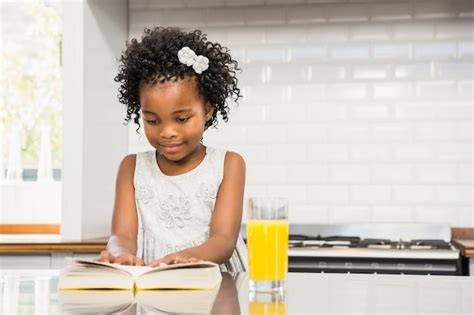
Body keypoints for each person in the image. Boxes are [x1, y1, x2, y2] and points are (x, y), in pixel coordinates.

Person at [97, 27, 247, 272]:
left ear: (207, 110)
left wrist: (184, 258)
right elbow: (122, 235)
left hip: (214, 283)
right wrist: (120, 253)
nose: (167, 132)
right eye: (153, 121)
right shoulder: (131, 168)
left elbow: (223, 241)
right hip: (152, 286)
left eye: (181, 119)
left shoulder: (229, 164)